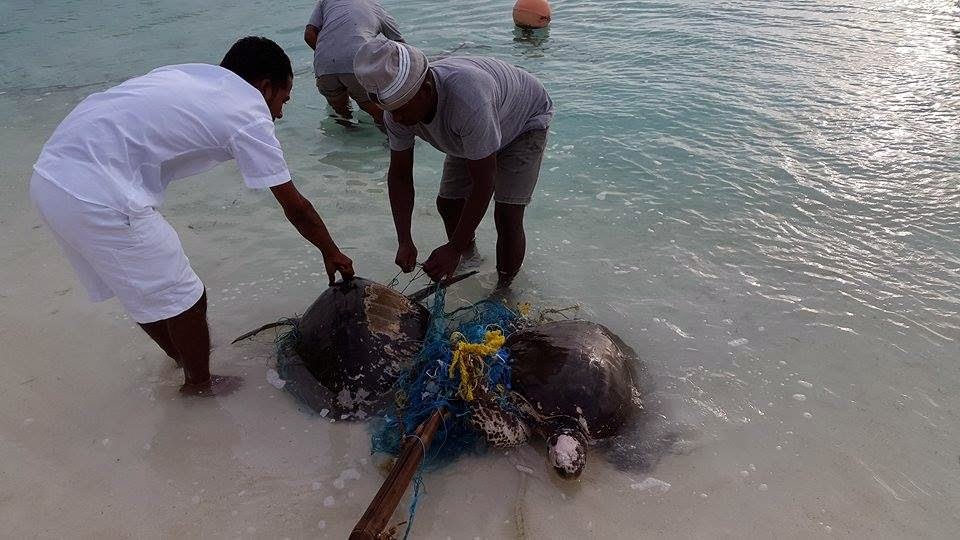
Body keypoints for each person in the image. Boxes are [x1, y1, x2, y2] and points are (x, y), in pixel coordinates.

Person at [29, 36, 354, 396]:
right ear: (265, 87)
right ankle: (199, 386)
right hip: (96, 193)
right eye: (282, 99)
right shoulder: (247, 112)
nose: (278, 113)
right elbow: (297, 207)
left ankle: (185, 360)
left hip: (50, 179)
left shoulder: (191, 76)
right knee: (187, 296)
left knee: (147, 291)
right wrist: (331, 251)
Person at [353, 38, 554, 287]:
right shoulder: (397, 113)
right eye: (392, 111)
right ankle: (470, 262)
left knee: (507, 213)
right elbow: (400, 175)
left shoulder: (469, 100)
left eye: (402, 110)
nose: (398, 119)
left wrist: (453, 247)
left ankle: (504, 291)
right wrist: (404, 239)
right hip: (469, 130)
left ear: (426, 90)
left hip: (524, 120)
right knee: (448, 203)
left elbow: (484, 182)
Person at [304, 0, 404, 130]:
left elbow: (309, 35)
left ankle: (349, 136)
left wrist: (330, 57)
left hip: (324, 65)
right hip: (357, 61)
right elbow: (401, 47)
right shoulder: (377, 9)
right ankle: (390, 143)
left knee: (341, 113)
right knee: (380, 114)